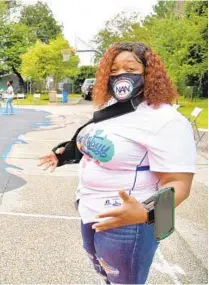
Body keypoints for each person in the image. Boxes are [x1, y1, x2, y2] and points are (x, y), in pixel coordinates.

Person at [38, 42, 196, 284]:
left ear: (149, 73)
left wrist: (146, 213)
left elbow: (179, 184)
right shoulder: (112, 109)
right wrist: (64, 154)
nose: (120, 76)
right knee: (106, 276)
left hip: (129, 222)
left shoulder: (166, 120)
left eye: (130, 69)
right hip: (90, 210)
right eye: (113, 71)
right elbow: (102, 143)